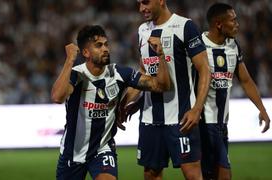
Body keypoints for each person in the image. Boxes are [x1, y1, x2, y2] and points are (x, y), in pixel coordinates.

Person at [51, 25, 171, 180]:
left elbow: (160, 85)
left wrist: (161, 55)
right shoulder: (77, 75)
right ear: (86, 52)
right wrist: (69, 60)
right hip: (72, 152)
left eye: (106, 44)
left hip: (103, 149)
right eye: (99, 45)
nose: (106, 49)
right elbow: (57, 97)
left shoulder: (119, 73)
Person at [119, 0, 211, 179]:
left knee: (192, 174)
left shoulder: (185, 26)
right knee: (151, 174)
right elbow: (145, 70)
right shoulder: (142, 30)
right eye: (138, 3)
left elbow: (205, 69)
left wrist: (197, 109)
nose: (141, 8)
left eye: (145, 2)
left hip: (181, 117)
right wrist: (133, 101)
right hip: (149, 119)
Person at [199, 3, 271, 180]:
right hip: (204, 124)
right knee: (224, 175)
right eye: (233, 20)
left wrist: (262, 109)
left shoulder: (233, 46)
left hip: (222, 125)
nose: (237, 24)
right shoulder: (198, 46)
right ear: (218, 24)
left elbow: (246, 80)